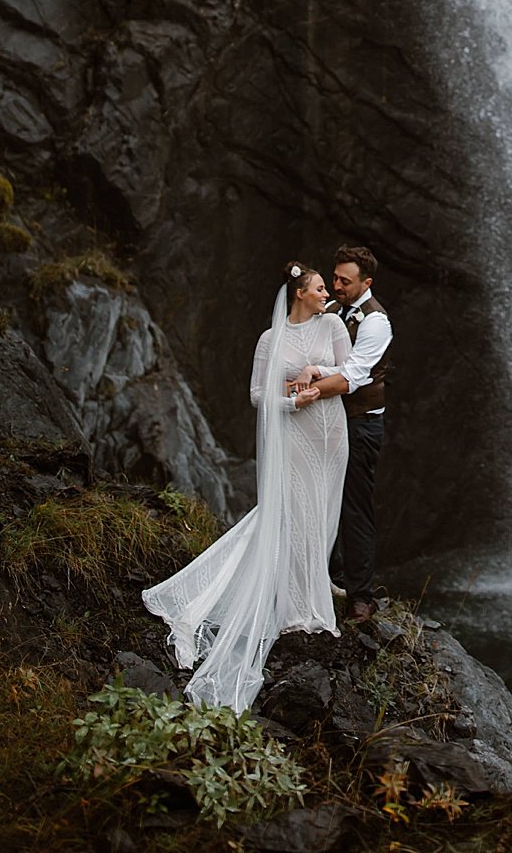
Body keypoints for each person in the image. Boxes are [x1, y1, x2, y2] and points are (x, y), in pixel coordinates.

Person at [144, 263, 351, 711]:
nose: (326, 294)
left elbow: (348, 373)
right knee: (293, 510)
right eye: (319, 288)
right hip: (295, 430)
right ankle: (297, 606)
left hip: (330, 431)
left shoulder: (333, 323)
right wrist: (291, 401)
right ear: (299, 293)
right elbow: (258, 395)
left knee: (323, 510)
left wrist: (313, 375)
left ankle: (312, 587)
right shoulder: (269, 340)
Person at [322, 244, 392, 620]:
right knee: (320, 497)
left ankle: (360, 596)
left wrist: (307, 390)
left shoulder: (376, 321)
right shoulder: (331, 310)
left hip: (360, 423)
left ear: (366, 282)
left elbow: (351, 376)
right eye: (334, 278)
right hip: (327, 420)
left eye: (344, 281)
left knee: (354, 507)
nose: (336, 286)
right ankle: (328, 577)